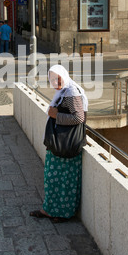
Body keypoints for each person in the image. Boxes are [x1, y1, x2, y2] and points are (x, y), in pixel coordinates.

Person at [30, 64, 88, 223]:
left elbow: (79, 118)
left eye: (58, 78)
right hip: (59, 144)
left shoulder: (70, 93)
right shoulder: (63, 92)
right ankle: (49, 210)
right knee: (53, 180)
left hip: (66, 145)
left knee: (64, 182)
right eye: (53, 79)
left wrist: (56, 115)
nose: (56, 81)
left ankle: (63, 213)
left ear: (64, 76)